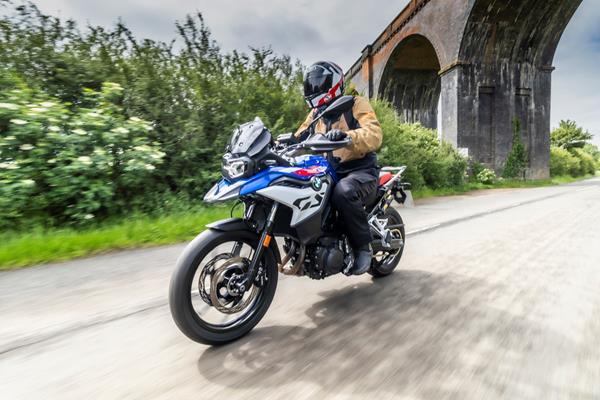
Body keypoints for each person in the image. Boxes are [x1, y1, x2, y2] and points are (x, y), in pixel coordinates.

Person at [295, 61, 383, 275]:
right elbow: (301, 135)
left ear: (333, 83)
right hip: (331, 171)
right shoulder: (317, 113)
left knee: (343, 192)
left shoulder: (355, 104)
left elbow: (374, 133)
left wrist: (347, 137)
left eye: (319, 83)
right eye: (311, 84)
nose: (314, 88)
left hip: (361, 171)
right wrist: (284, 143)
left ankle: (363, 247)